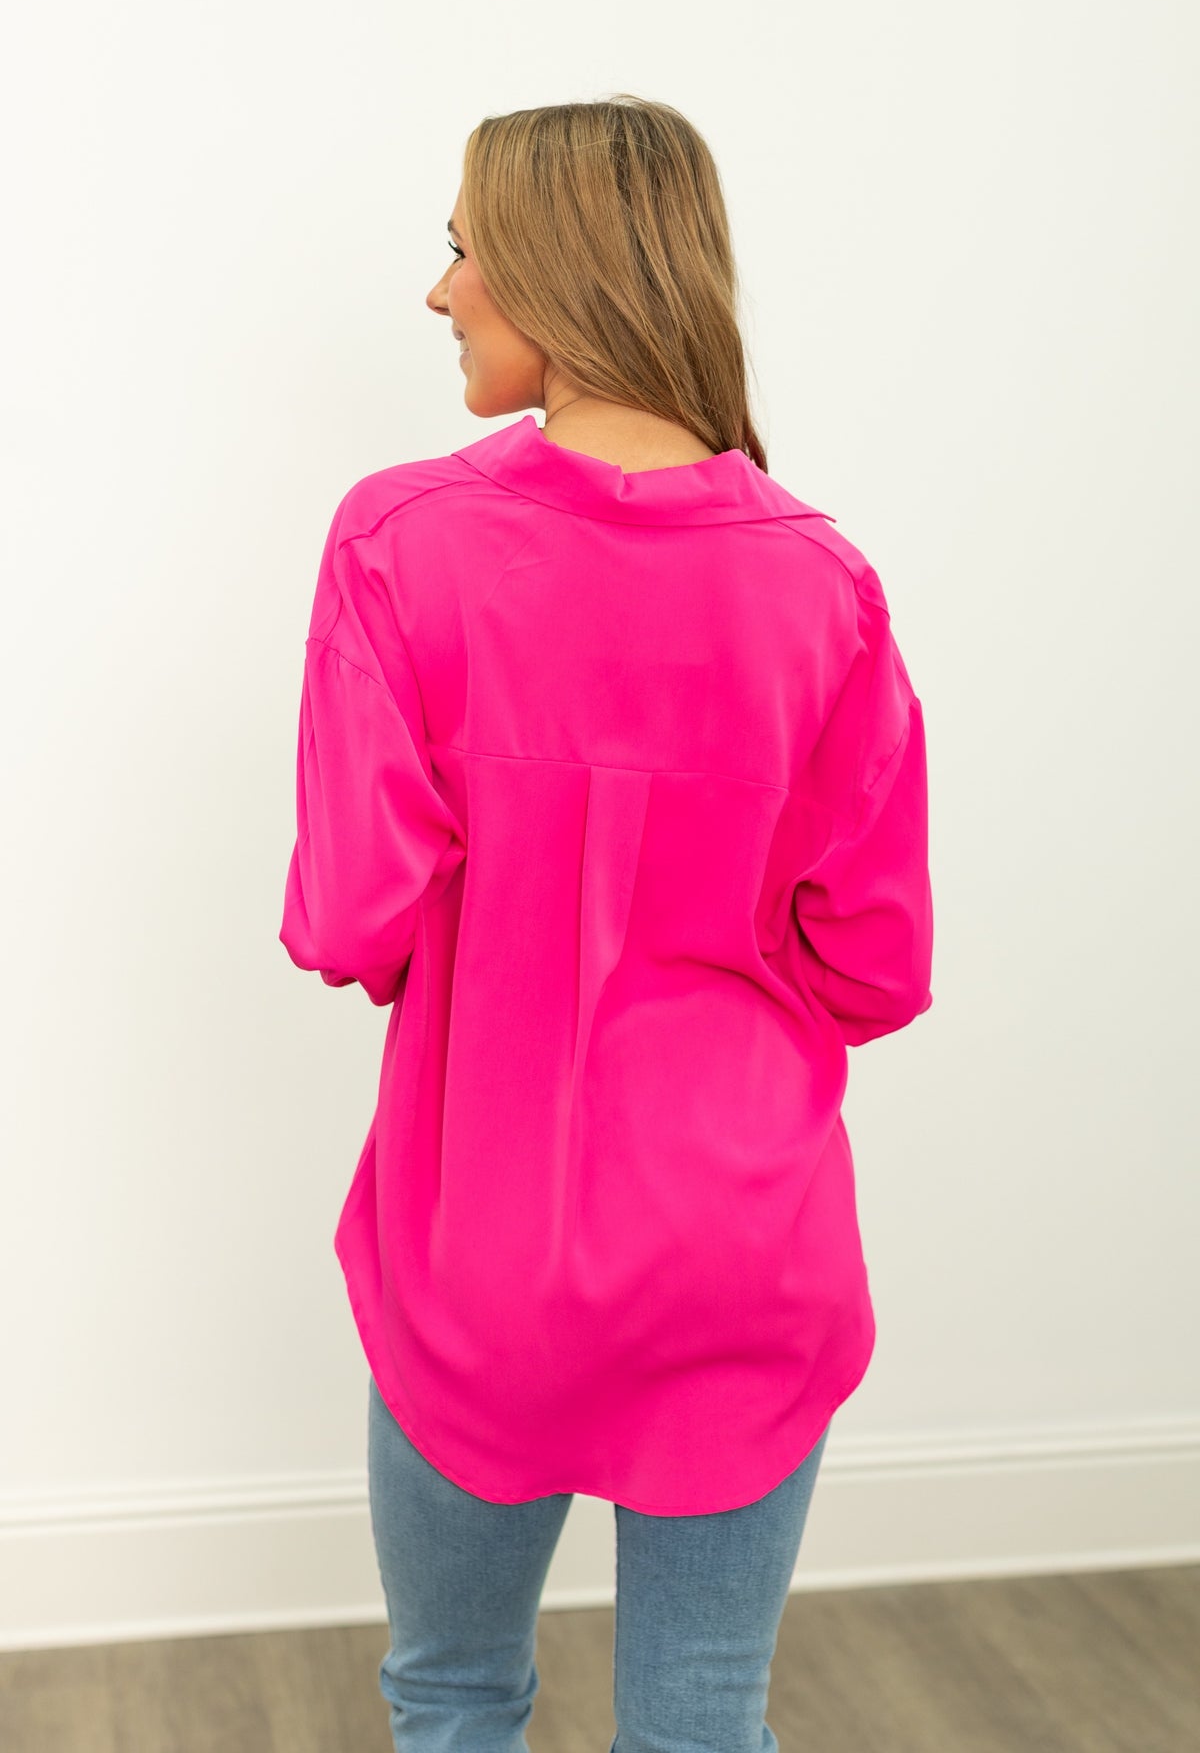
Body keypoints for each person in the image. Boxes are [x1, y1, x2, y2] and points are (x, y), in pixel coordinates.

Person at [280, 92, 934, 1753]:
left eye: (465, 249)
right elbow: (874, 962)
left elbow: (352, 915)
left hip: (480, 1252)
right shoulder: (825, 584)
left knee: (453, 1696)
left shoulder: (398, 542)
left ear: (561, 265)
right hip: (743, 1258)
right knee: (702, 1723)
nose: (441, 292)